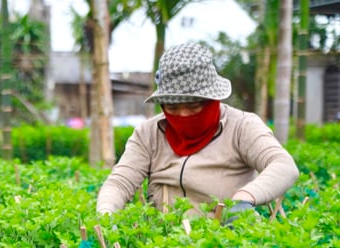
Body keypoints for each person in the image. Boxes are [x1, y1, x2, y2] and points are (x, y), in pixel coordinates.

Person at [96, 43, 299, 218]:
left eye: (194, 106)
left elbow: (283, 166)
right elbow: (120, 183)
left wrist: (243, 199)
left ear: (212, 100)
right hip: (164, 245)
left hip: (223, 242)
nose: (183, 115)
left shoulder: (241, 126)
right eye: (173, 108)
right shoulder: (149, 133)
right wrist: (106, 216)